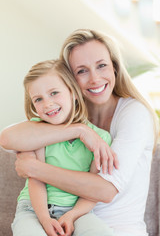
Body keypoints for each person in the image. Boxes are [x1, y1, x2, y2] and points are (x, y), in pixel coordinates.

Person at [0, 29, 159, 236]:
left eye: (101, 65)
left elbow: (105, 190)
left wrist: (34, 168)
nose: (94, 79)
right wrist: (79, 130)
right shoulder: (63, 111)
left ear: (115, 67)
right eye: (82, 71)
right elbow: (8, 138)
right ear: (70, 80)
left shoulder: (133, 112)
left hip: (115, 230)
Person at [11, 59, 116, 236]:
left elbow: (92, 190)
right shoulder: (36, 132)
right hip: (32, 209)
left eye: (54, 93)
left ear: (73, 92)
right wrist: (44, 219)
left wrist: (72, 215)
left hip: (78, 211)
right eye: (38, 99)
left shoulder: (100, 139)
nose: (47, 104)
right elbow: (36, 179)